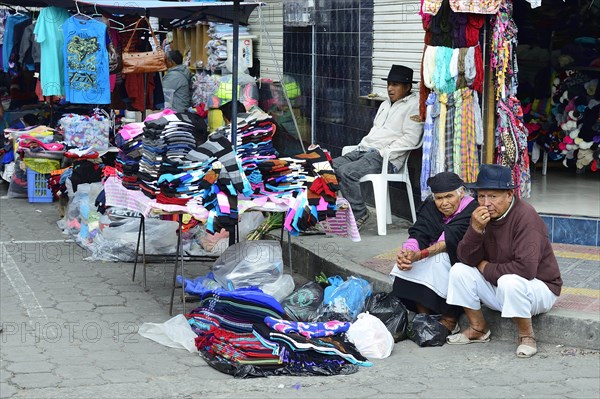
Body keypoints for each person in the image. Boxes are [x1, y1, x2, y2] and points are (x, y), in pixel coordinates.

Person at [446, 164, 562, 358]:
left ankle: (527, 336)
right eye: (481, 196)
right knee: (458, 270)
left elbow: (526, 270)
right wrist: (476, 229)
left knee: (509, 281)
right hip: (501, 286)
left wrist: (485, 267)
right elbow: (465, 258)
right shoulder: (480, 214)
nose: (486, 202)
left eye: (493, 196)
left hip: (539, 289)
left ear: (509, 195)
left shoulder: (525, 216)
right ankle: (478, 328)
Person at [332, 64, 423, 228]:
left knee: (346, 172)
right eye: (389, 84)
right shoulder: (386, 104)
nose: (390, 88)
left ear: (408, 87)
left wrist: (384, 152)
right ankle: (334, 212)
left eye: (395, 85)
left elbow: (411, 138)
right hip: (363, 150)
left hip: (386, 158)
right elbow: (376, 130)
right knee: (328, 168)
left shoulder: (414, 105)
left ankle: (360, 213)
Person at [390, 172, 478, 334]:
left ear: (461, 193)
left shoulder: (471, 209)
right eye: (439, 198)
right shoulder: (431, 207)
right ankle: (424, 315)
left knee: (441, 260)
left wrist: (420, 255)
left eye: (449, 197)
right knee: (407, 265)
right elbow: (419, 232)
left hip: (461, 257)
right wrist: (409, 252)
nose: (444, 203)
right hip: (430, 252)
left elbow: (449, 240)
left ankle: (450, 318)